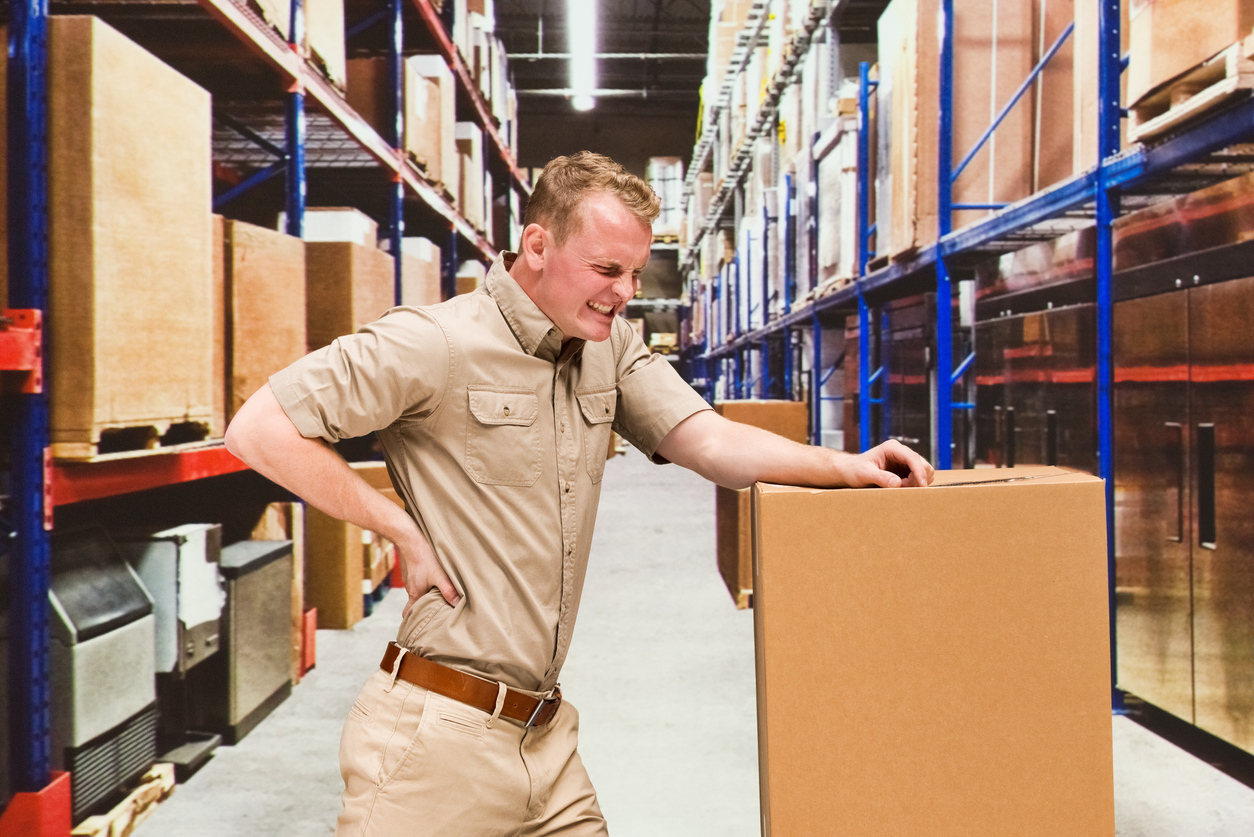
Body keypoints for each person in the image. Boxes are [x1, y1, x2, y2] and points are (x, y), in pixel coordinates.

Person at [224, 151, 933, 837]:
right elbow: (259, 429)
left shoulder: (609, 348)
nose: (625, 291)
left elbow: (709, 440)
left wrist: (846, 464)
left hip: (545, 738)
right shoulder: (434, 343)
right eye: (605, 269)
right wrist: (397, 527)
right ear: (537, 244)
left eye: (631, 271)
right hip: (436, 740)